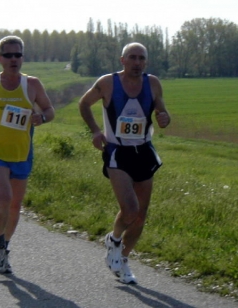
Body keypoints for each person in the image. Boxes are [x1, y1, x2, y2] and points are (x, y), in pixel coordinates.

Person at [79, 42, 170, 284]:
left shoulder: (153, 83)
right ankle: (115, 239)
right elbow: (84, 103)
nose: (137, 62)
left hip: (144, 151)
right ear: (122, 60)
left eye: (141, 58)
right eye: (132, 57)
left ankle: (123, 259)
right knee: (130, 208)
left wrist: (164, 118)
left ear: (146, 63)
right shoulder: (108, 83)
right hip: (117, 151)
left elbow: (162, 111)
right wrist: (96, 131)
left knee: (141, 215)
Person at [0, 35, 55, 274]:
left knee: (15, 205)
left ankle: (4, 249)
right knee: (3, 198)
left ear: (22, 58)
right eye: (8, 55)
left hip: (22, 153)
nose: (13, 59)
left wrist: (42, 117)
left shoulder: (32, 84)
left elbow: (49, 110)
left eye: (17, 55)